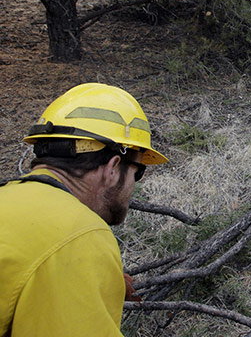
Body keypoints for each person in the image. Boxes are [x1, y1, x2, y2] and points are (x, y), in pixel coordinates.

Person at [0, 83, 167, 336]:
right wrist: (81, 260)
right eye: (138, 171)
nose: (134, 185)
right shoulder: (80, 237)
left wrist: (86, 280)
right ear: (113, 168)